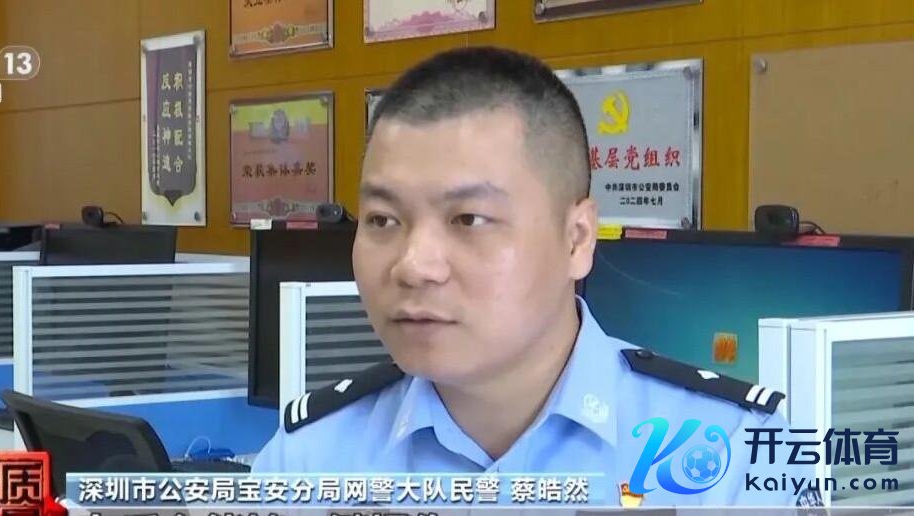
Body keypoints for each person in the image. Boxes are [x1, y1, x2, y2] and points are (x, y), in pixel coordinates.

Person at [253, 46, 818, 507]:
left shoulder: (733, 453)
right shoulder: (308, 458)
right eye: (382, 220)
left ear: (577, 239)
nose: (413, 265)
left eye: (468, 219)